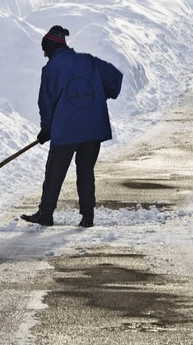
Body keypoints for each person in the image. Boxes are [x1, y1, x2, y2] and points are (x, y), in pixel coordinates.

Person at [21, 25, 123, 228]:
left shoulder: (51, 69)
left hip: (67, 130)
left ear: (50, 46)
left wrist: (46, 129)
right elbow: (115, 77)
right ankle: (88, 216)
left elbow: (46, 103)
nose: (44, 54)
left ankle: (46, 214)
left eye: (45, 49)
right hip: (93, 128)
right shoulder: (89, 61)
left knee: (55, 172)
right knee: (85, 171)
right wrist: (102, 95)